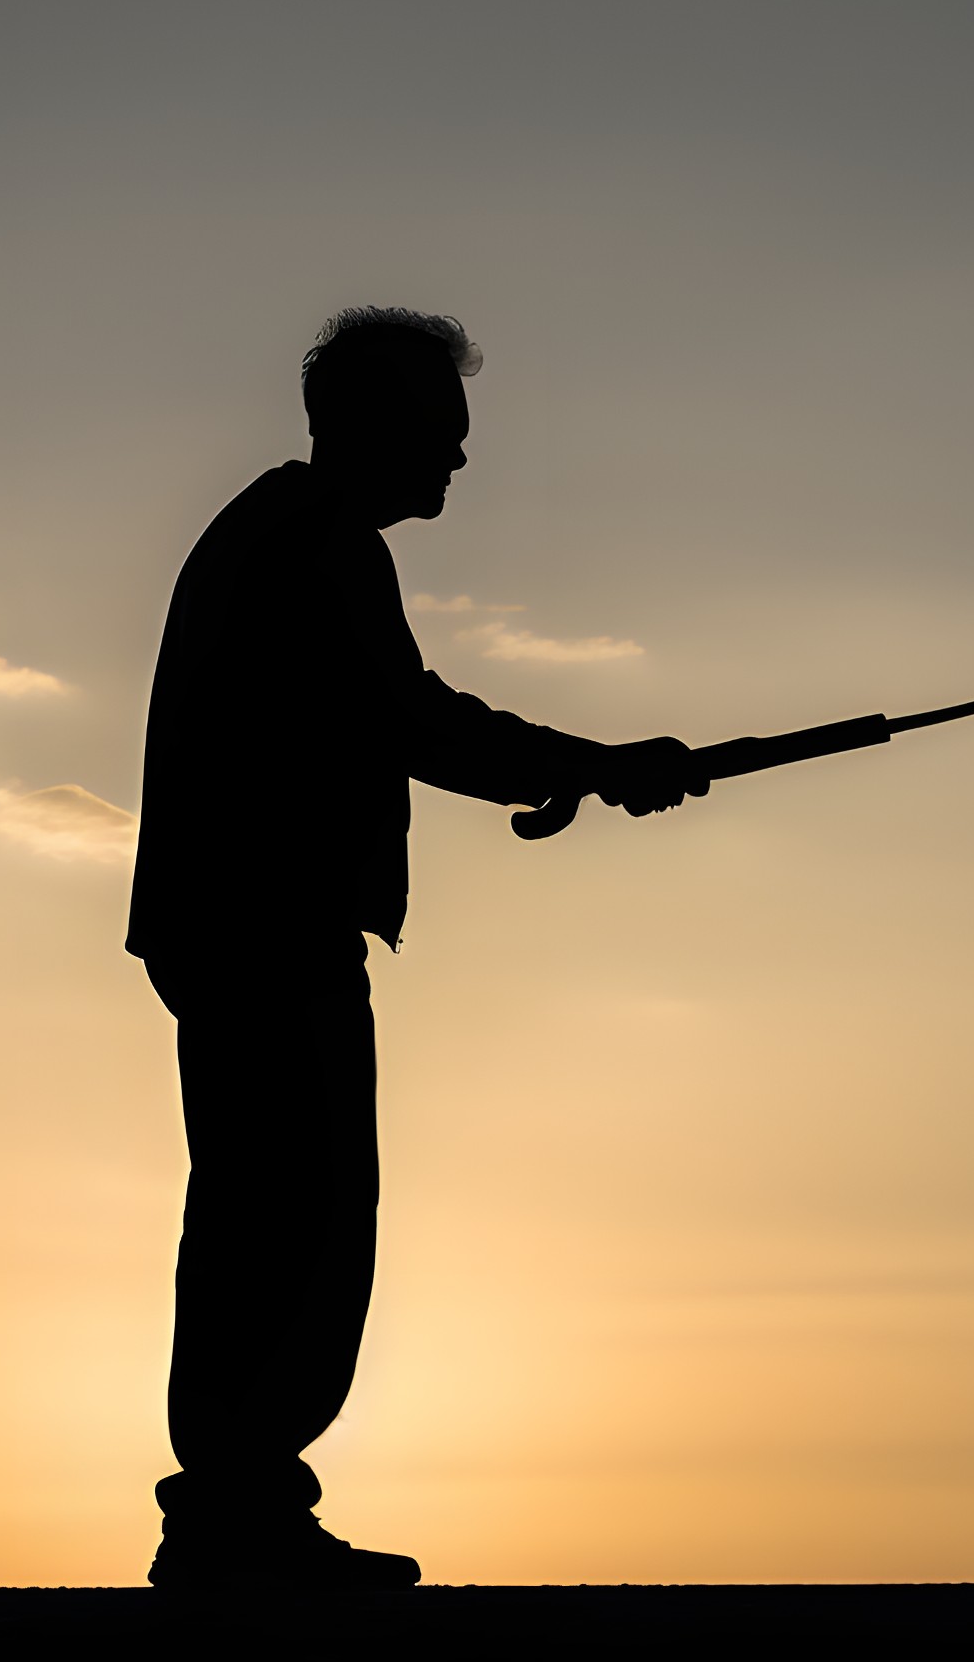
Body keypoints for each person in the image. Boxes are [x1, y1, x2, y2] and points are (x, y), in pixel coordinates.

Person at [124, 306, 706, 1588]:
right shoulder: (317, 540)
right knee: (304, 1213)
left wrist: (562, 771)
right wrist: (599, 765)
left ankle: (235, 1509)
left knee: (262, 1212)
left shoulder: (277, 533)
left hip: (233, 924)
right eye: (441, 434)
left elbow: (391, 725)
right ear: (375, 428)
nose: (457, 460)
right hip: (268, 926)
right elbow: (412, 720)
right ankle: (240, 1516)